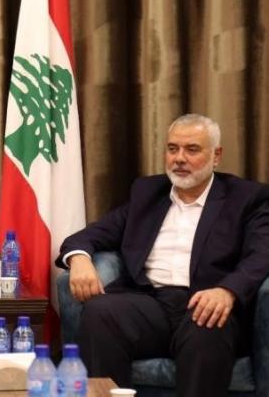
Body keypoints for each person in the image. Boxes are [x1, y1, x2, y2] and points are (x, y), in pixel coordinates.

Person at [56, 114, 269, 397]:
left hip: (206, 303)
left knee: (207, 325)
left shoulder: (246, 197)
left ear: (216, 156)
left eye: (192, 149)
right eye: (172, 149)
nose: (179, 158)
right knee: (100, 313)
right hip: (150, 303)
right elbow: (91, 234)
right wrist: (80, 258)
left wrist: (228, 290)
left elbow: (262, 254)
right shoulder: (148, 192)